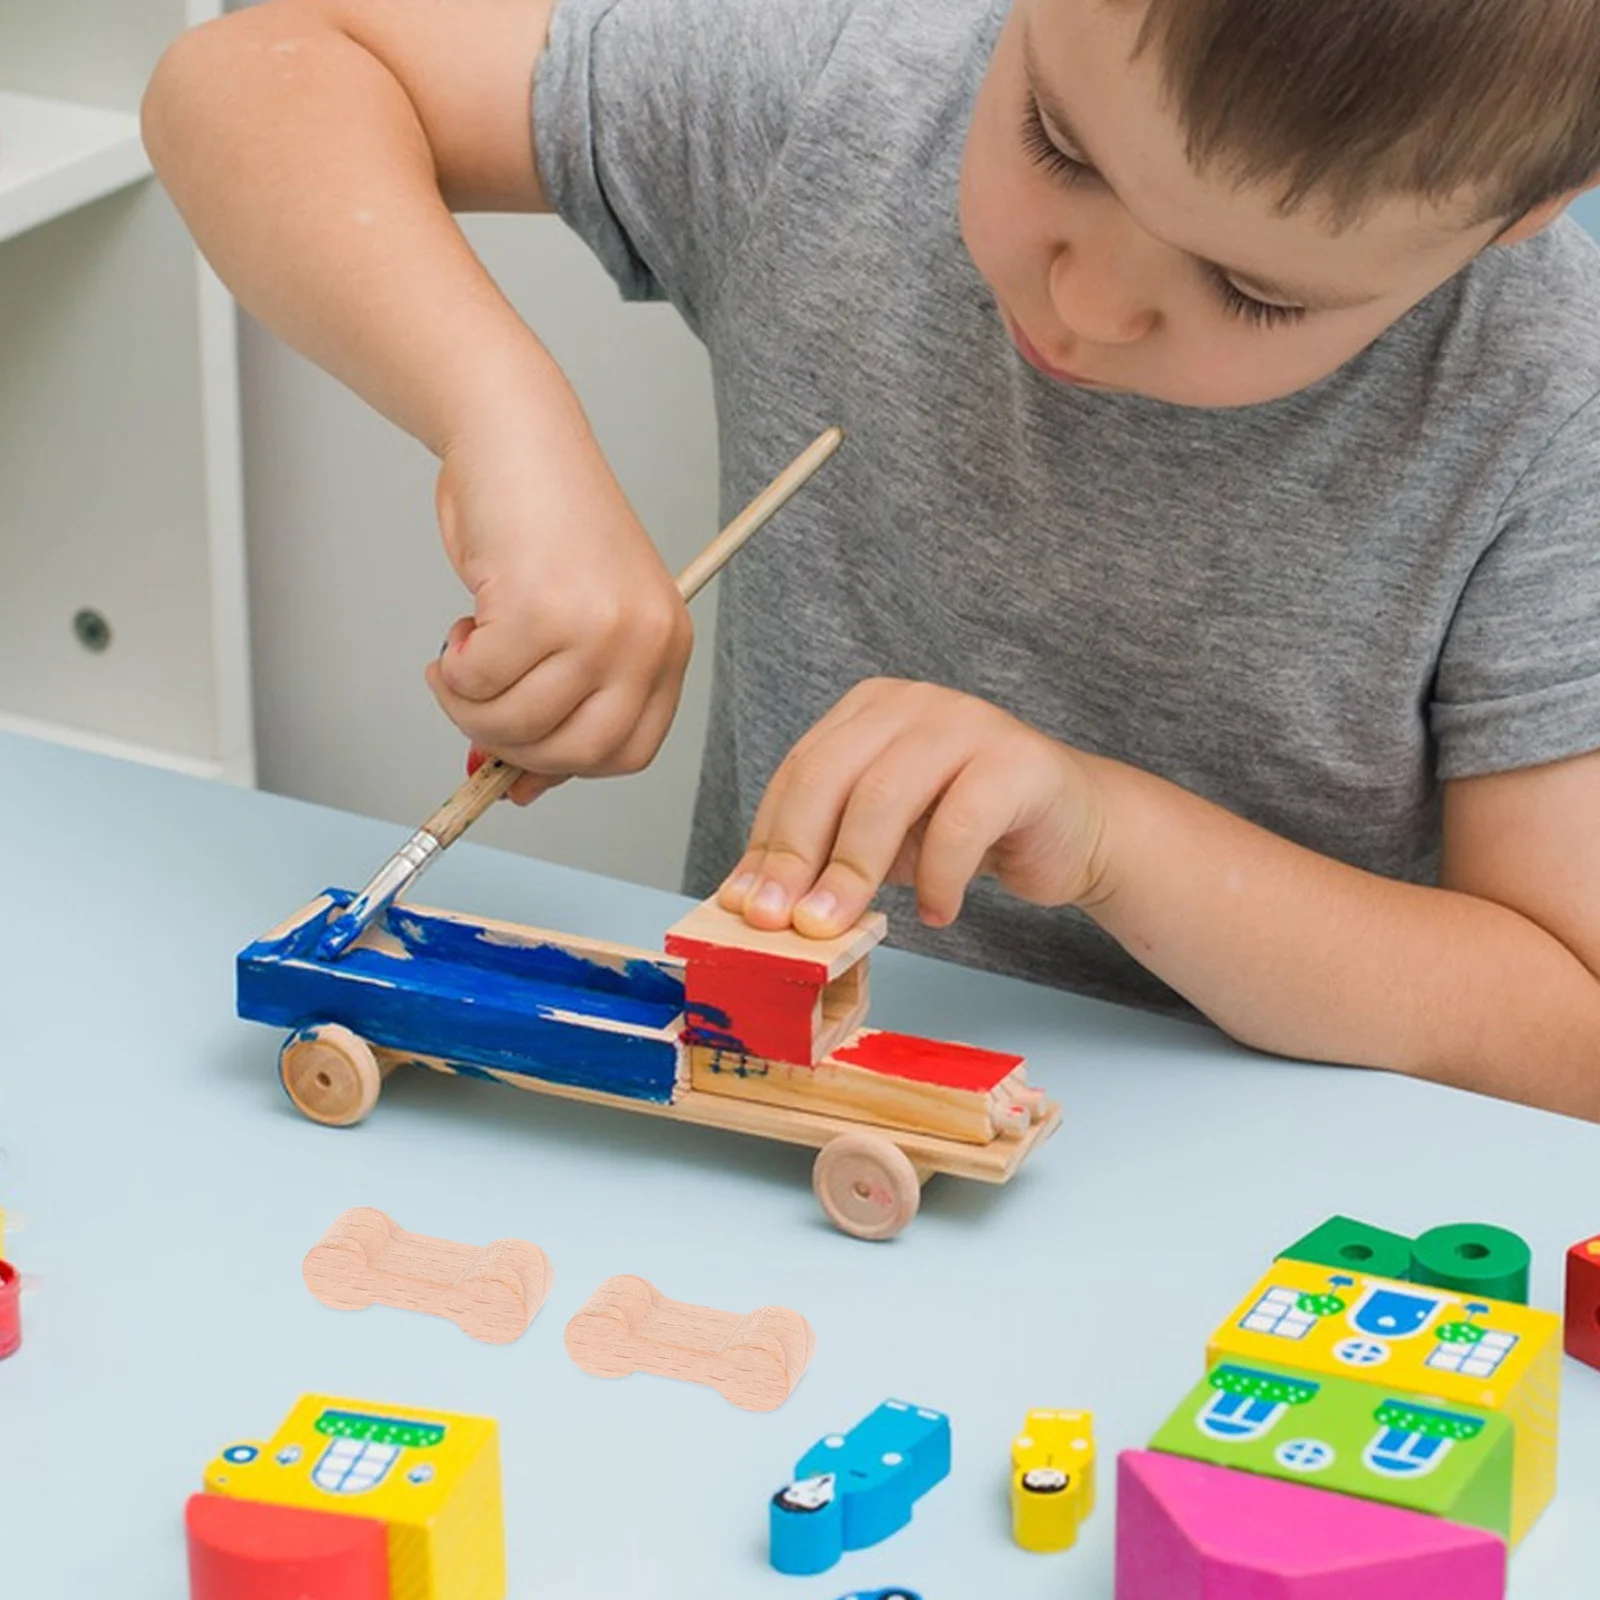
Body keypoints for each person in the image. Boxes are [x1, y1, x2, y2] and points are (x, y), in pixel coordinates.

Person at [143, 0, 1600, 1117]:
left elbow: (1566, 1029)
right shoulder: (860, 92)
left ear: (1515, 214)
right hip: (753, 1134)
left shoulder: (1549, 396)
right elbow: (252, 74)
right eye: (1060, 146)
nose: (1084, 300)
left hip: (1271, 1243)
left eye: (1251, 290)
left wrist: (1109, 836)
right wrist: (501, 425)